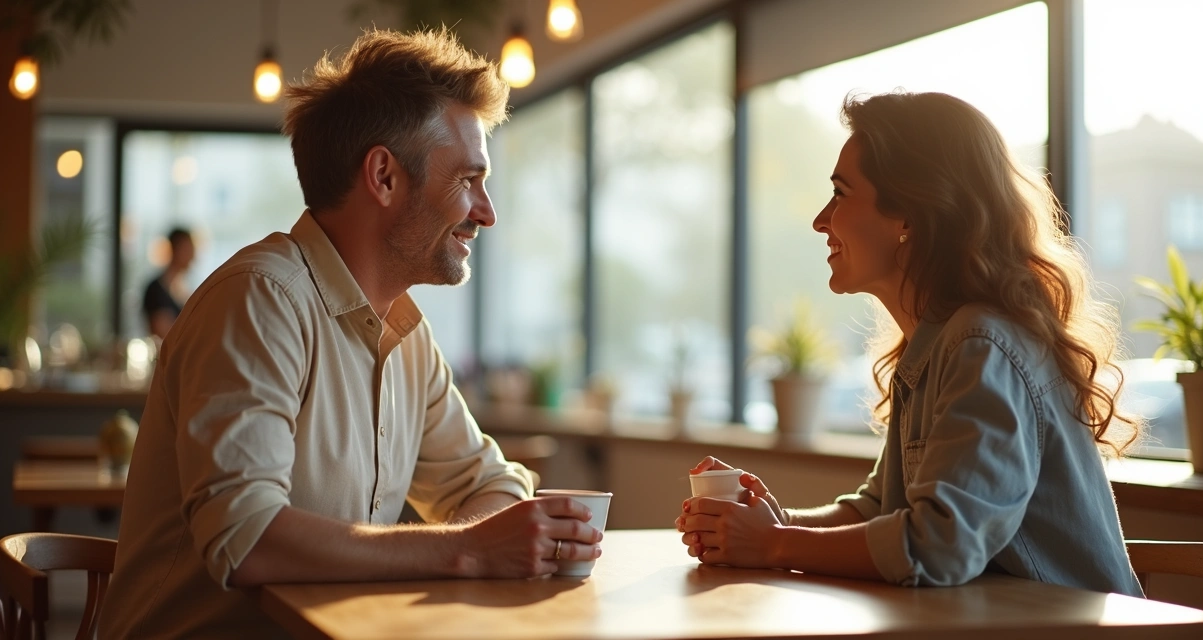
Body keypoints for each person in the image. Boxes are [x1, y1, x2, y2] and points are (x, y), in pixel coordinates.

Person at [100, 29, 601, 638]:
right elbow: (247, 538)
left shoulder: (406, 335)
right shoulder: (260, 300)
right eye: (468, 180)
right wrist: (468, 551)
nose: (487, 211)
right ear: (384, 176)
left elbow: (491, 484)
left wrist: (482, 542)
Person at [676, 91, 1143, 597]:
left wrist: (773, 544)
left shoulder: (981, 344)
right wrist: (773, 521)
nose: (821, 220)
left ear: (909, 216)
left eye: (840, 193)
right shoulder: (935, 344)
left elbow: (940, 543)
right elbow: (879, 509)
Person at [142, 227, 194, 340]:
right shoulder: (156, 290)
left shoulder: (183, 290)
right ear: (175, 249)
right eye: (187, 249)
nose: (192, 256)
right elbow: (164, 334)